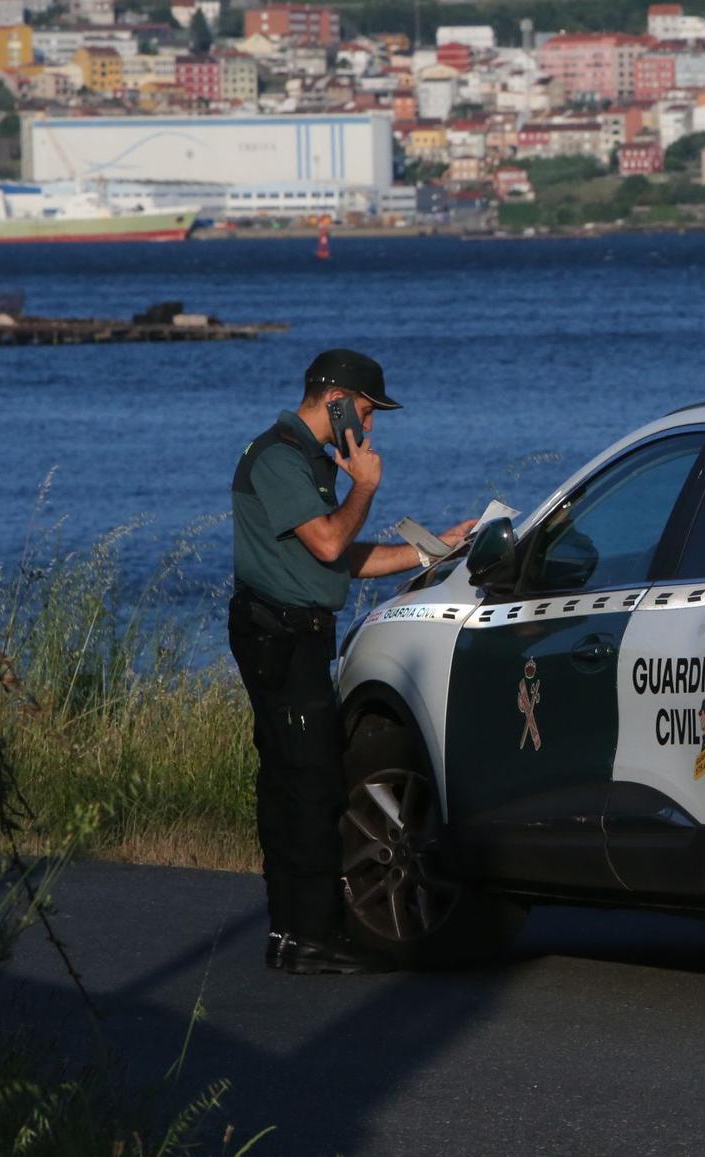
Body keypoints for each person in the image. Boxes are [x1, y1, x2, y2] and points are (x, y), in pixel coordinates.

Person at [229, 348, 473, 974]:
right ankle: (312, 935)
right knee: (309, 786)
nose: (370, 427)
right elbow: (333, 539)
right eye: (366, 411)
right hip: (280, 637)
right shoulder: (281, 457)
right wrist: (365, 485)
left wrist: (432, 549)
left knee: (291, 781)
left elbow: (337, 557)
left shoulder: (305, 460)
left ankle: (291, 934)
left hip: (290, 634)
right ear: (336, 402)